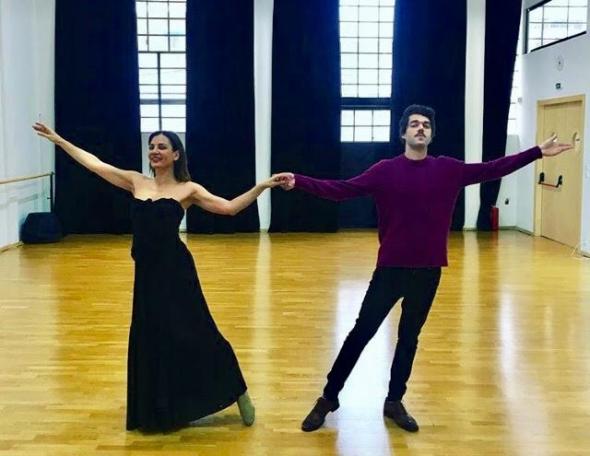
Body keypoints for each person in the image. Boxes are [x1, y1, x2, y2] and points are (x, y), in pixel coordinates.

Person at [275, 104, 572, 433]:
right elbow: (341, 190)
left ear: (431, 134)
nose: (420, 128)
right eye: (414, 124)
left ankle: (394, 401)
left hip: (428, 271)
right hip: (390, 270)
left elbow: (493, 169)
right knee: (361, 334)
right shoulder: (385, 171)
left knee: (409, 338)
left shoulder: (448, 169)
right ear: (403, 133)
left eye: (426, 125)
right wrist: (299, 181)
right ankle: (329, 397)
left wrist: (537, 152)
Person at [33, 122, 283, 432]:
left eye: (162, 146)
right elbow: (95, 164)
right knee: (153, 338)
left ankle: (237, 388)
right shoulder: (136, 181)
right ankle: (160, 407)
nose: (154, 151)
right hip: (146, 275)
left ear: (176, 154)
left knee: (198, 332)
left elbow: (230, 208)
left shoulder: (188, 190)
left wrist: (263, 186)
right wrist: (60, 140)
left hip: (176, 272)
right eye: (151, 146)